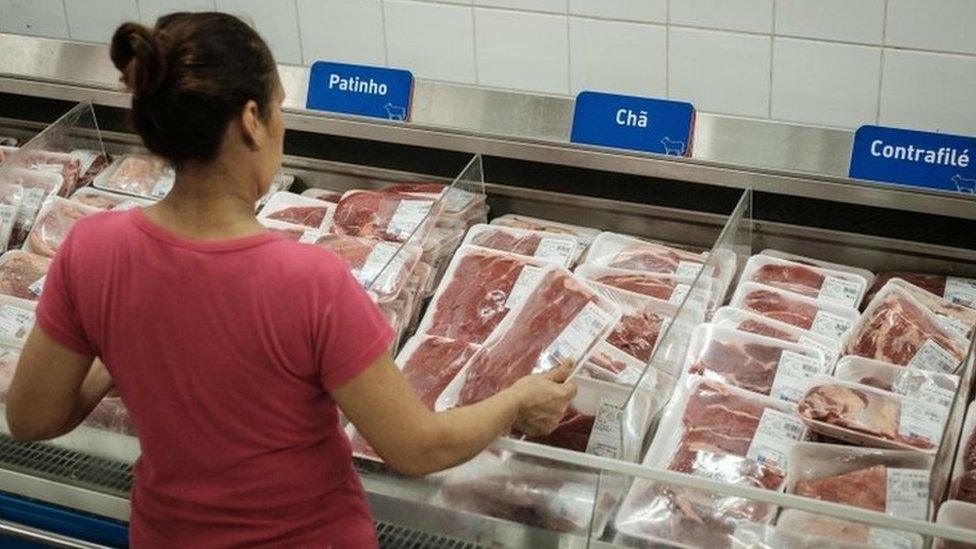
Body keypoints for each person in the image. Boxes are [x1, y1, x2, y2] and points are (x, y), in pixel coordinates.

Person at [4, 12, 576, 548]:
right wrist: (517, 403)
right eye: (279, 108)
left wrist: (115, 355)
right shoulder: (310, 281)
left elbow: (31, 417)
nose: (282, 125)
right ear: (252, 120)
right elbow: (416, 447)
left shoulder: (92, 248)